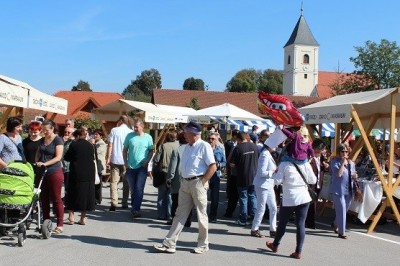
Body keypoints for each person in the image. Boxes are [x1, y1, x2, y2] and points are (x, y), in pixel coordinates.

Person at [154, 121, 216, 254]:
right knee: (179, 214)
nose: (184, 135)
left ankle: (203, 244)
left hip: (197, 182)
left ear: (194, 134)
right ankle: (170, 243)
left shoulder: (204, 146)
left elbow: (213, 166)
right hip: (185, 183)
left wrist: (202, 181)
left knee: (201, 215)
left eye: (186, 133)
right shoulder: (187, 147)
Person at [266, 160, 317, 259]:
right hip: (304, 196)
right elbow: (313, 180)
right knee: (300, 224)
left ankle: (275, 245)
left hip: (290, 197)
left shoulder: (284, 164)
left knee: (282, 223)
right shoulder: (306, 164)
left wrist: (275, 172)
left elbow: (277, 181)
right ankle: (298, 251)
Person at [35, 119, 64, 235]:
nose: (45, 132)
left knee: (56, 198)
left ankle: (60, 224)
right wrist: (36, 161)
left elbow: (58, 157)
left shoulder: (58, 140)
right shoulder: (42, 140)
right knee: (44, 198)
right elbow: (38, 153)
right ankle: (46, 221)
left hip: (54, 171)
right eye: (43, 130)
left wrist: (45, 164)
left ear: (52, 129)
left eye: (47, 130)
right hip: (42, 172)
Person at [64, 128, 96, 225]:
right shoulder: (90, 145)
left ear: (77, 136)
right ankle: (83, 218)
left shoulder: (74, 144)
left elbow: (67, 157)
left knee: (72, 193)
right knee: (85, 195)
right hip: (89, 173)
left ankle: (71, 217)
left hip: (76, 172)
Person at [123, 117, 154, 218]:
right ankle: (134, 207)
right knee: (133, 189)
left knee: (139, 188)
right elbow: (125, 150)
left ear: (142, 127)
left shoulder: (148, 137)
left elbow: (151, 151)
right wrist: (125, 163)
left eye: (136, 127)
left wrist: (147, 161)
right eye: (134, 127)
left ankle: (136, 209)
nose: (134, 129)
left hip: (142, 167)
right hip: (131, 167)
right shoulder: (129, 136)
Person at [230, 132, 259, 226]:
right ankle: (254, 217)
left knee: (243, 198)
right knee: (252, 196)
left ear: (238, 139)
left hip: (242, 176)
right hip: (254, 176)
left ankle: (243, 219)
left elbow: (232, 164)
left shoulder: (238, 148)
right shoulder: (255, 146)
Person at [329, 143, 357, 239]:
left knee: (345, 210)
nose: (344, 153)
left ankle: (335, 223)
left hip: (349, 190)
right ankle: (342, 232)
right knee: (341, 210)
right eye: (342, 151)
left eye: (346, 151)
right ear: (339, 152)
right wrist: (342, 162)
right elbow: (339, 174)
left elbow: (353, 174)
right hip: (338, 190)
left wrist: (355, 176)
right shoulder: (334, 162)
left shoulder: (351, 163)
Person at [251, 142, 277, 238]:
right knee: (261, 207)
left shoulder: (268, 154)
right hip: (262, 184)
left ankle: (273, 229)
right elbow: (262, 172)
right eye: (276, 144)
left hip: (269, 184)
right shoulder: (265, 155)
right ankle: (254, 229)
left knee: (273, 207)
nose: (277, 146)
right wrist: (273, 171)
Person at [106, 115, 132, 211]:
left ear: (120, 121)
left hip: (115, 159)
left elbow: (110, 145)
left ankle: (114, 202)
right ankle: (124, 202)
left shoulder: (114, 130)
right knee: (126, 182)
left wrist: (108, 158)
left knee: (114, 182)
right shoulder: (130, 132)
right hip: (127, 160)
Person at [166, 132, 192, 227]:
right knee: (188, 200)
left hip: (178, 179)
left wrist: (169, 178)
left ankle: (175, 219)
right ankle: (188, 220)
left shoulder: (177, 151)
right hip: (189, 178)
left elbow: (172, 167)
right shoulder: (192, 150)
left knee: (176, 201)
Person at [153, 131, 178, 220]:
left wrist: (154, 171)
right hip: (174, 174)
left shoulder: (163, 146)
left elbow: (156, 159)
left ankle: (161, 214)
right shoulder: (178, 147)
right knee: (170, 195)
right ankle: (170, 214)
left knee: (161, 195)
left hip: (163, 172)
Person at [306, 138, 329, 229]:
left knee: (313, 202)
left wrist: (324, 165)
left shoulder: (321, 158)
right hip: (310, 183)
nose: (324, 151)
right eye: (323, 149)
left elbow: (320, 169)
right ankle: (309, 223)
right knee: (310, 203)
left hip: (318, 183)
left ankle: (309, 222)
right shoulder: (310, 157)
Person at [207, 132, 226, 223]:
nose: (210, 140)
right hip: (205, 175)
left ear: (216, 140)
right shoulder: (204, 149)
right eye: (209, 138)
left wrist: (220, 164)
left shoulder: (219, 150)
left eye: (213, 139)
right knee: (201, 196)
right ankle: (202, 214)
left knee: (215, 197)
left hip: (215, 176)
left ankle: (213, 215)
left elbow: (224, 162)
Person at [223, 129, 240, 218]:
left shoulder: (238, 147)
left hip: (236, 172)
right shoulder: (229, 144)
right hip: (232, 169)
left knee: (235, 193)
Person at [22, 121, 42, 185]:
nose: (33, 134)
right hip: (27, 166)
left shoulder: (43, 141)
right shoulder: (25, 141)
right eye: (31, 132)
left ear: (40, 131)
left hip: (39, 167)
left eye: (35, 132)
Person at [61, 126, 74, 205]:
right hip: (62, 166)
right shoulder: (62, 141)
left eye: (69, 132)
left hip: (70, 166)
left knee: (68, 186)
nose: (66, 134)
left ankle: (68, 202)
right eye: (65, 132)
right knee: (64, 185)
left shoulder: (72, 142)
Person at [93, 129, 107, 204]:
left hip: (99, 165)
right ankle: (95, 198)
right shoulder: (96, 143)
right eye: (94, 134)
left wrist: (92, 145)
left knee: (98, 182)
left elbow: (96, 153)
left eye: (97, 134)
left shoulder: (101, 144)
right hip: (95, 165)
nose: (95, 136)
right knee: (95, 182)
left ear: (101, 136)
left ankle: (98, 198)